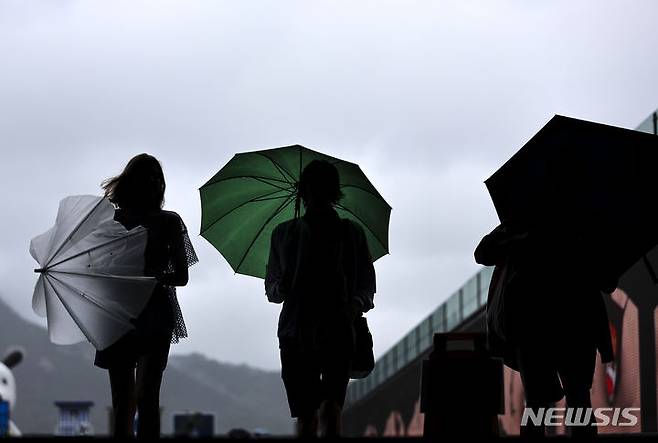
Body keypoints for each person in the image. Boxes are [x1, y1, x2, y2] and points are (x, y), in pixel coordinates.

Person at [265, 159, 376, 438]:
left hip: (322, 332)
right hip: (307, 332)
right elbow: (274, 290)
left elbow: (364, 287)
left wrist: (351, 309)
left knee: (320, 412)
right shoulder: (285, 235)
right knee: (319, 413)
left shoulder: (349, 234)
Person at [95, 154, 197, 438]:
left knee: (126, 401)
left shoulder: (109, 221)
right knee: (144, 397)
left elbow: (93, 267)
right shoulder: (168, 222)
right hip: (152, 313)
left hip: (118, 314)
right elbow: (182, 276)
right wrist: (153, 278)